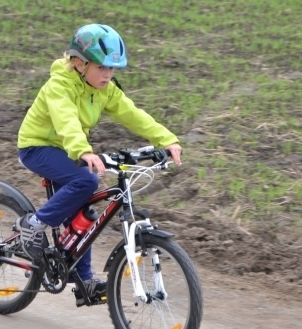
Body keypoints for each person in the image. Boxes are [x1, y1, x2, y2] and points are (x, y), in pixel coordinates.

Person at [16, 23, 183, 306]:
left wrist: (166, 139)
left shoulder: (105, 89)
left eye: (112, 69)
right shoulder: (60, 85)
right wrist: (83, 151)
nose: (107, 75)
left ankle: (83, 281)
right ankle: (33, 224)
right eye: (101, 68)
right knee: (87, 180)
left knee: (84, 211)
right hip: (38, 147)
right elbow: (66, 118)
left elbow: (132, 114)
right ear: (79, 63)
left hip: (70, 150)